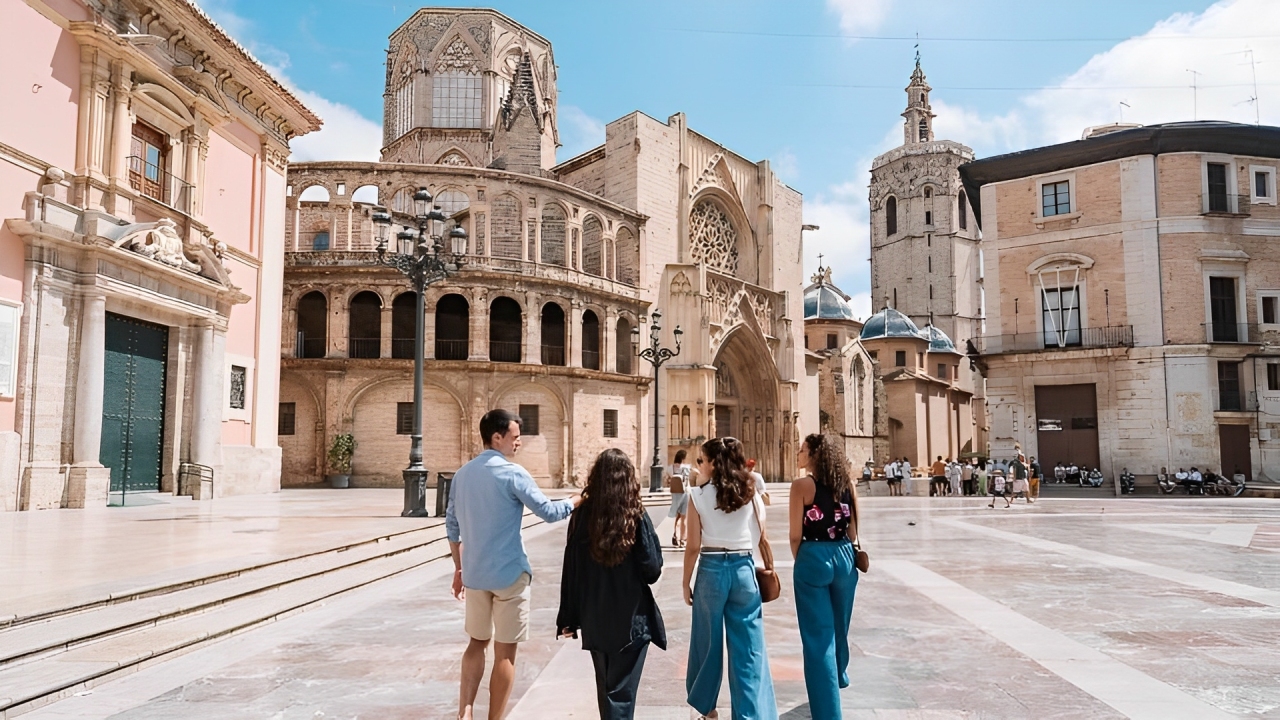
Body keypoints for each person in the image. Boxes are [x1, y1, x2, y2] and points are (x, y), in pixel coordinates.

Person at [447, 409, 581, 720]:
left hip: (475, 574)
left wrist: (459, 568)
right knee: (505, 653)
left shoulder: (463, 475)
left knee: (476, 643)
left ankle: (465, 711)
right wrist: (576, 500)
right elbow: (549, 512)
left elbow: (452, 527)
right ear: (497, 437)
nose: (519, 442)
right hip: (509, 574)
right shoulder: (513, 473)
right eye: (515, 437)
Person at [557, 449, 666, 720]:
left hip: (595, 616)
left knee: (606, 688)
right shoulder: (635, 514)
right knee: (620, 694)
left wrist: (568, 617)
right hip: (630, 619)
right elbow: (652, 569)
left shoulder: (582, 515)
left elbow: (572, 569)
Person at [683, 437, 777, 719]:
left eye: (702, 460)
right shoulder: (750, 491)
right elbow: (760, 534)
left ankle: (707, 709)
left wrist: (686, 582)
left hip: (711, 568)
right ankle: (749, 714)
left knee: (706, 642)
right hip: (743, 569)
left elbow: (693, 546)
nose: (700, 465)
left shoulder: (697, 496)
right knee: (748, 648)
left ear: (713, 463)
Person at [790, 434, 861, 719]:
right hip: (844, 556)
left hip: (813, 555)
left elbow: (795, 535)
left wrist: (804, 559)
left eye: (803, 449)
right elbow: (853, 532)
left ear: (814, 456)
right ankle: (838, 673)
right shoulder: (847, 484)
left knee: (817, 637)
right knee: (839, 626)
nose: (798, 453)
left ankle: (828, 712)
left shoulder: (801, 486)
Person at [667, 449, 692, 547]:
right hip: (685, 493)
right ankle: (682, 539)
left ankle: (675, 536)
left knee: (677, 517)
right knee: (684, 518)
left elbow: (669, 478)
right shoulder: (686, 468)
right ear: (683, 458)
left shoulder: (670, 468)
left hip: (675, 494)